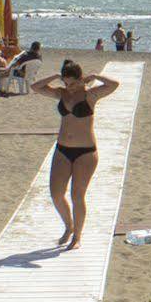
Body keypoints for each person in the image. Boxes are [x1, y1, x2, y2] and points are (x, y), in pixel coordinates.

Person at [32, 60, 121, 250]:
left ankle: (77, 237)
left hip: (85, 152)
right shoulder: (61, 93)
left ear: (80, 80)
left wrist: (95, 76)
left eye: (72, 83)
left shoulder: (91, 95)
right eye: (65, 83)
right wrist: (56, 77)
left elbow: (114, 85)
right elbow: (35, 87)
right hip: (62, 149)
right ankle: (69, 226)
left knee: (77, 195)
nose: (69, 87)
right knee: (56, 194)